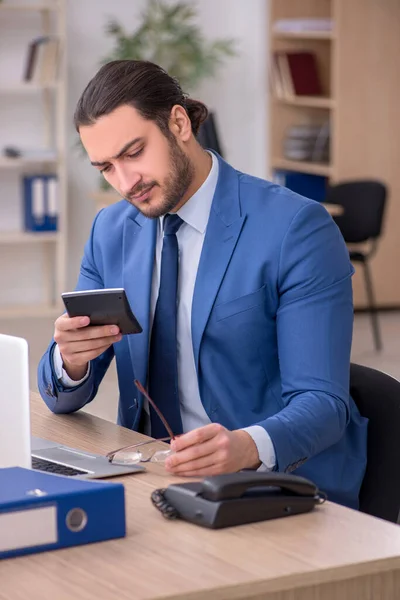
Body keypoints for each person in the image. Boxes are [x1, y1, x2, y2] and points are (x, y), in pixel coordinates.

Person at [38, 60, 367, 508]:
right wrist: (70, 360)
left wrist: (249, 447)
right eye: (106, 168)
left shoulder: (295, 229)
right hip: (153, 475)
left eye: (134, 152)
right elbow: (65, 394)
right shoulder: (111, 231)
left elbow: (324, 403)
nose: (125, 182)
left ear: (178, 123)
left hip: (273, 486)